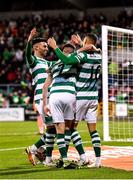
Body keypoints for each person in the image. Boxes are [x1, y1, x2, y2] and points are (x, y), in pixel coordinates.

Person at [47, 33, 102, 168]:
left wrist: (55, 48)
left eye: (84, 41)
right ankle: (98, 161)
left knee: (69, 128)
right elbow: (89, 49)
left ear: (88, 42)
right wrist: (81, 45)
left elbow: (68, 60)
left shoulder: (83, 56)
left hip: (81, 97)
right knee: (93, 131)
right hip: (94, 98)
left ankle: (69, 158)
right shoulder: (99, 57)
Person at [43, 42, 88, 168]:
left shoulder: (54, 64)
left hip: (54, 96)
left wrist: (45, 103)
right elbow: (84, 52)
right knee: (71, 128)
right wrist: (81, 44)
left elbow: (46, 80)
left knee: (59, 131)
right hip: (69, 95)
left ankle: (64, 159)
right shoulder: (75, 60)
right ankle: (83, 157)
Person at [25, 28, 56, 166]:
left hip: (50, 99)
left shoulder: (48, 63)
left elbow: (62, 62)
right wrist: (29, 39)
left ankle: (38, 150)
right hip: (42, 99)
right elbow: (27, 54)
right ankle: (41, 154)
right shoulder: (33, 61)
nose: (46, 48)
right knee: (53, 128)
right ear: (36, 47)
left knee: (54, 129)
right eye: (44, 46)